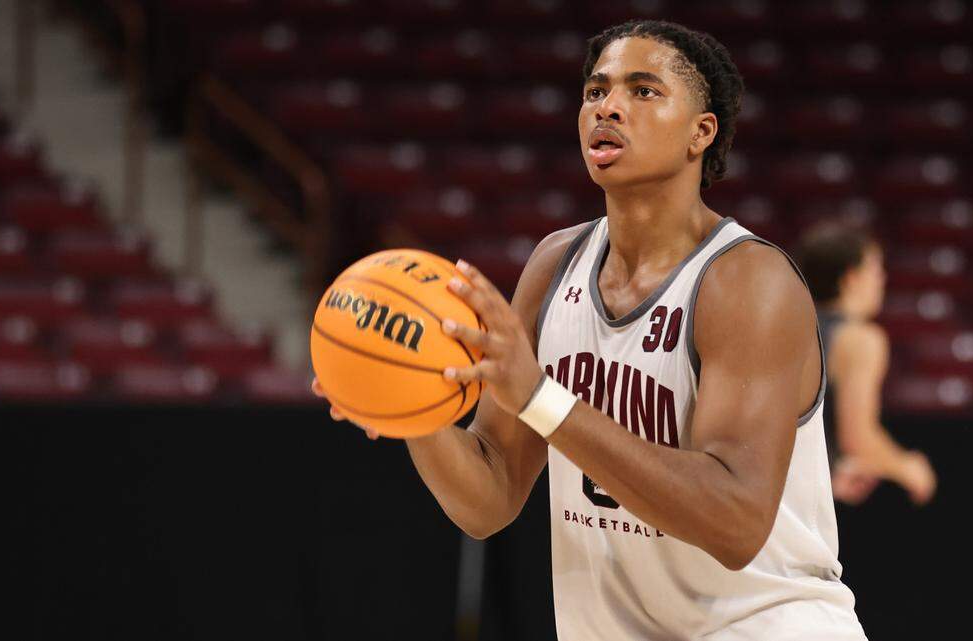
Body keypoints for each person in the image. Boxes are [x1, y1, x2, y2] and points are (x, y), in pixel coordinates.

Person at [314, 20, 866, 640]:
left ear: (700, 133)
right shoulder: (555, 265)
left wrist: (540, 398)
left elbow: (735, 523)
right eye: (595, 90)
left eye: (644, 90)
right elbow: (490, 499)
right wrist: (413, 409)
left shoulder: (748, 283)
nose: (608, 106)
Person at [794, 222, 938, 506]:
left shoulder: (786, 326)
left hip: (778, 488)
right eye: (875, 269)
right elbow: (857, 438)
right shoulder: (859, 340)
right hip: (813, 502)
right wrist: (908, 467)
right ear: (850, 277)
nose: (882, 279)